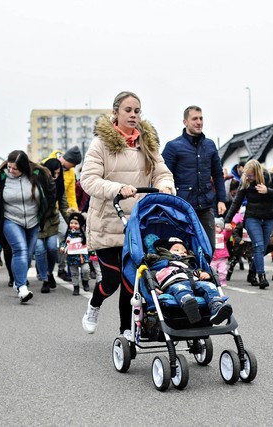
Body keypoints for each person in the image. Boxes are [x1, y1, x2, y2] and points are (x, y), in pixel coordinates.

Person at [80, 91, 174, 336]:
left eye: (137, 111)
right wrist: (118, 189)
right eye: (128, 110)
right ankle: (94, 304)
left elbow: (162, 172)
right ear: (116, 113)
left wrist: (165, 185)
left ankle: (126, 331)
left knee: (131, 283)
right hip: (108, 221)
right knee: (111, 280)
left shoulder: (148, 143)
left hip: (138, 223)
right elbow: (88, 180)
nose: (133, 115)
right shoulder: (100, 143)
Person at [0, 150, 55, 303]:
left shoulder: (38, 174)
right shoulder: (0, 177)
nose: (11, 171)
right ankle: (22, 288)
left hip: (33, 220)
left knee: (28, 255)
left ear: (23, 167)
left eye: (15, 168)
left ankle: (18, 281)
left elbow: (51, 193)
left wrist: (45, 214)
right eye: (9, 167)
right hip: (10, 219)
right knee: (20, 250)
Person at [162, 105, 227, 247]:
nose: (199, 122)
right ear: (185, 122)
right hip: (181, 208)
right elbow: (162, 175)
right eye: (194, 119)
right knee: (183, 248)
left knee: (209, 247)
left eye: (201, 118)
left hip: (205, 207)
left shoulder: (209, 145)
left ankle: (205, 269)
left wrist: (222, 199)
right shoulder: (173, 146)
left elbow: (217, 174)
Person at [223, 159, 273, 289]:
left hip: (268, 217)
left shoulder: (270, 177)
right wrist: (227, 220)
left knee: (262, 248)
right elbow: (236, 202)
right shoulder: (245, 181)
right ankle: (261, 276)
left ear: (258, 173)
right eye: (247, 175)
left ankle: (251, 272)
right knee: (258, 246)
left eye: (251, 175)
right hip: (252, 218)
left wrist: (268, 190)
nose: (248, 177)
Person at [145, 237, 233, 325]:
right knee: (180, 289)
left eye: (184, 250)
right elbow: (150, 278)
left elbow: (199, 271)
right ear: (165, 251)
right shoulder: (158, 265)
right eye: (177, 249)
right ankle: (190, 306)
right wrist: (154, 287)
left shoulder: (190, 264)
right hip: (173, 284)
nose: (182, 252)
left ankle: (216, 307)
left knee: (209, 286)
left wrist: (206, 275)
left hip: (195, 281)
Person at [36, 156, 69, 293]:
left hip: (52, 220)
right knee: (39, 249)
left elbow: (64, 206)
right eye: (53, 173)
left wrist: (74, 221)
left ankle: (50, 273)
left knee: (51, 248)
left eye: (58, 173)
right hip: (36, 221)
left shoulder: (60, 184)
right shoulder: (36, 182)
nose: (55, 176)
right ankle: (44, 279)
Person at [59, 210, 90, 296]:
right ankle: (76, 287)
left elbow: (89, 241)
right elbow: (64, 242)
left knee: (86, 269)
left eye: (76, 223)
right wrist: (62, 247)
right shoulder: (68, 234)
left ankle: (85, 281)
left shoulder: (84, 233)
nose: (73, 225)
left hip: (83, 256)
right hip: (72, 258)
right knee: (74, 273)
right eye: (71, 223)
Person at [210, 218, 231, 286]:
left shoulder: (223, 235)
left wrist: (228, 230)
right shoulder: (210, 235)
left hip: (222, 257)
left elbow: (227, 235)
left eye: (218, 226)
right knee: (212, 270)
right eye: (214, 226)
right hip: (213, 257)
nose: (215, 228)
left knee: (222, 271)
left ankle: (222, 281)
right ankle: (213, 281)